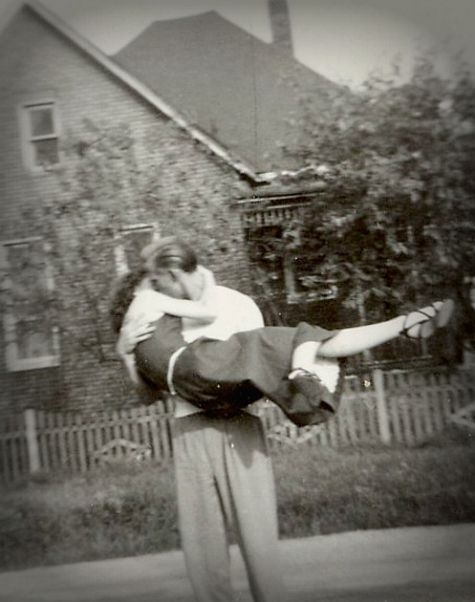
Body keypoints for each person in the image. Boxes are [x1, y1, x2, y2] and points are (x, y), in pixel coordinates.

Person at [112, 237, 454, 427]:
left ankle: (405, 324)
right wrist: (206, 274)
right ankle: (307, 369)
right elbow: (207, 308)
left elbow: (152, 388)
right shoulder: (147, 299)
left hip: (201, 387)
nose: (160, 288)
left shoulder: (140, 330)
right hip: (196, 367)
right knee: (293, 340)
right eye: (154, 281)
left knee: (308, 345)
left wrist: (125, 356)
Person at [116, 240, 289, 602]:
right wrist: (127, 355)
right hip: (190, 432)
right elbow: (147, 396)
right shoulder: (159, 317)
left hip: (240, 427)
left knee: (260, 546)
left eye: (160, 282)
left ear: (175, 275)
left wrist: (215, 387)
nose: (157, 290)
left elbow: (259, 373)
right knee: (204, 554)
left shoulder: (238, 305)